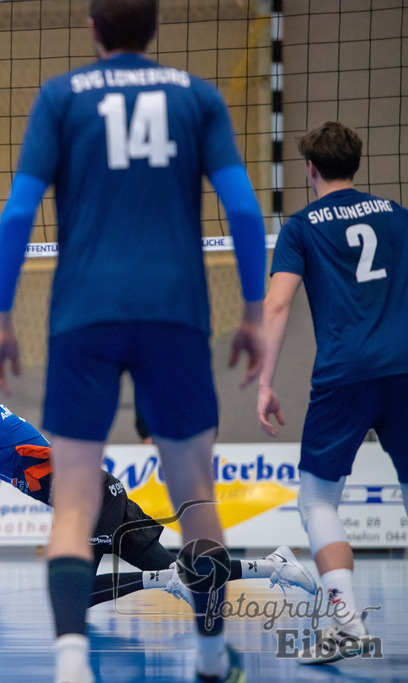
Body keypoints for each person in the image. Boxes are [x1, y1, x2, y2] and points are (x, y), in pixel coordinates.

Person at [0, 1, 268, 680]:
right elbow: (247, 209)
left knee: (75, 496)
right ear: (155, 29)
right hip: (175, 313)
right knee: (196, 492)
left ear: (93, 29)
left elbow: (19, 211)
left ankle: (71, 661)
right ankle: (208, 653)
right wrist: (254, 312)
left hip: (83, 312)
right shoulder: (197, 96)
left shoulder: (60, 97)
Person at [0, 368, 313, 610]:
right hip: (97, 495)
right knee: (168, 564)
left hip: (90, 500)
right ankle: (274, 565)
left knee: (75, 592)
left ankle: (166, 584)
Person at [257, 121, 408, 665]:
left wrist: (266, 381)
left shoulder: (302, 227)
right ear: (357, 164)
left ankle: (344, 624)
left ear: (310, 169)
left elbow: (277, 305)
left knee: (319, 499)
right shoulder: (398, 216)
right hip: (405, 368)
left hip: (345, 373)